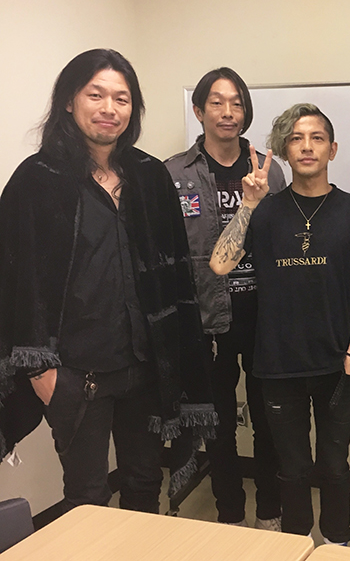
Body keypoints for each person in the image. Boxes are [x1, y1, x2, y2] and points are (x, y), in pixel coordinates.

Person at [0, 49, 215, 512]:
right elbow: (15, 281)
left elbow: (176, 273)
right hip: (75, 374)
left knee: (144, 483)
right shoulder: (37, 179)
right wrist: (40, 372)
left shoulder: (149, 175)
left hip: (144, 367)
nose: (109, 108)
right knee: (87, 497)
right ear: (69, 101)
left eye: (122, 98)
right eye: (95, 95)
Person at [210, 103, 350, 544]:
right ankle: (295, 545)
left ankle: (337, 543)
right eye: (296, 139)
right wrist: (249, 204)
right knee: (291, 469)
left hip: (336, 364)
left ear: (332, 149)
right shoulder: (266, 211)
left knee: (335, 467)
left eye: (316, 138)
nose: (307, 146)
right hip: (276, 365)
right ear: (285, 152)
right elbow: (219, 264)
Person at [165, 68, 284, 529]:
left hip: (264, 318)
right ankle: (230, 515)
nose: (228, 112)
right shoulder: (174, 173)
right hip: (205, 321)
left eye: (236, 103)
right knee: (216, 427)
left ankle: (270, 513)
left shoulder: (269, 170)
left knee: (269, 421)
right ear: (199, 110)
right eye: (216, 102)